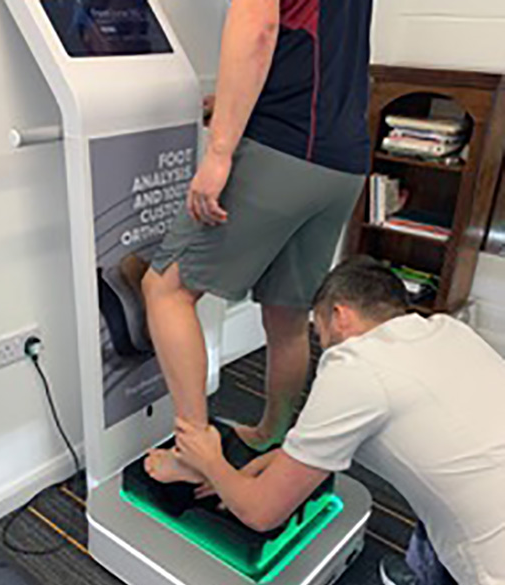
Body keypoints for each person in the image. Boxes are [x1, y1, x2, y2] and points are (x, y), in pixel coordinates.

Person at [157, 256, 505, 585]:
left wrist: (210, 458)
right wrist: (235, 476)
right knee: (446, 489)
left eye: (318, 333)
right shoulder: (448, 332)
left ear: (339, 314)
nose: (322, 345)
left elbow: (260, 513)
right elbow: (315, 449)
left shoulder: (355, 365)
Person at [142, 0, 373, 480]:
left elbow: (259, 27)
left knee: (165, 289)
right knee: (288, 313)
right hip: (341, 157)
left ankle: (193, 454)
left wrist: (221, 150)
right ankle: (275, 433)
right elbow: (307, 45)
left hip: (282, 149)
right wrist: (232, 104)